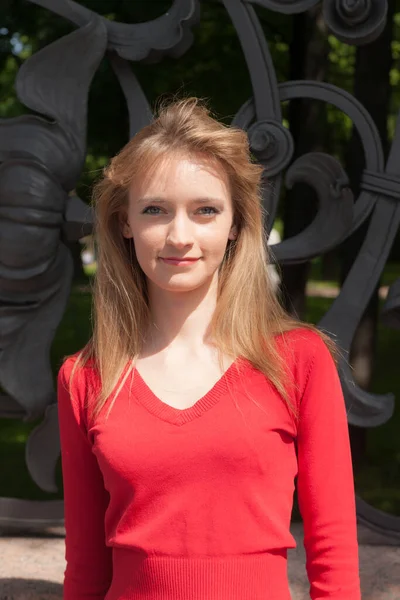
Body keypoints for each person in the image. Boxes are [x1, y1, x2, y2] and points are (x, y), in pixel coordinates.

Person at [57, 97, 361, 600]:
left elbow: (334, 555)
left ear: (236, 223)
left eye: (205, 210)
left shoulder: (299, 360)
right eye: (155, 209)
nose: (180, 235)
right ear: (124, 222)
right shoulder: (87, 376)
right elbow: (87, 567)